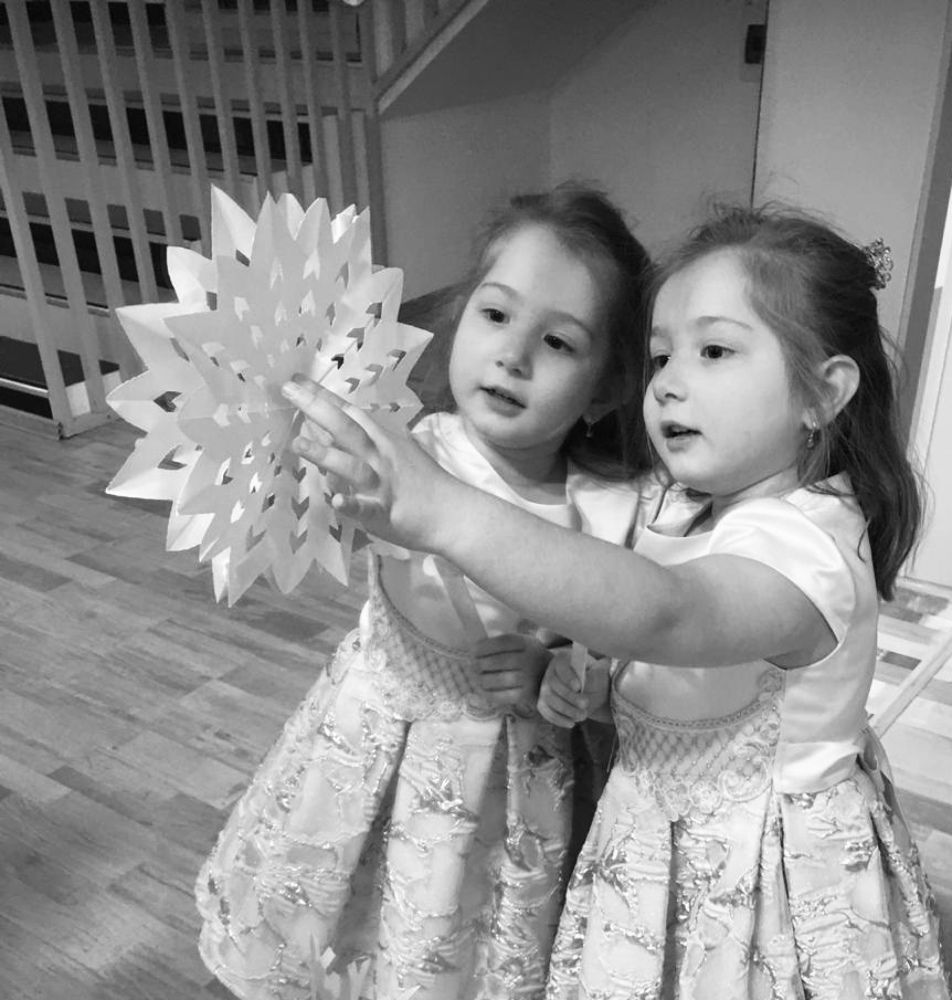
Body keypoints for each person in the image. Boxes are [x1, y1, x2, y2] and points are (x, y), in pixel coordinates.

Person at [284, 204, 950, 999]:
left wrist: (442, 510)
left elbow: (670, 614)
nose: (668, 383)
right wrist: (579, 678)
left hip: (757, 899)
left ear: (822, 393)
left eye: (714, 350)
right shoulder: (684, 507)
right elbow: (663, 668)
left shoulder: (808, 548)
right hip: (657, 861)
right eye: (662, 355)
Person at [195, 182, 659, 1000]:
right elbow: (315, 498)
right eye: (495, 314)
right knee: (339, 914)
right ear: (460, 316)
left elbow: (613, 651)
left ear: (607, 386)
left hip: (506, 784)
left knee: (448, 940)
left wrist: (561, 676)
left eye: (558, 342)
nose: (513, 356)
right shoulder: (408, 451)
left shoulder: (608, 511)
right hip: (371, 733)